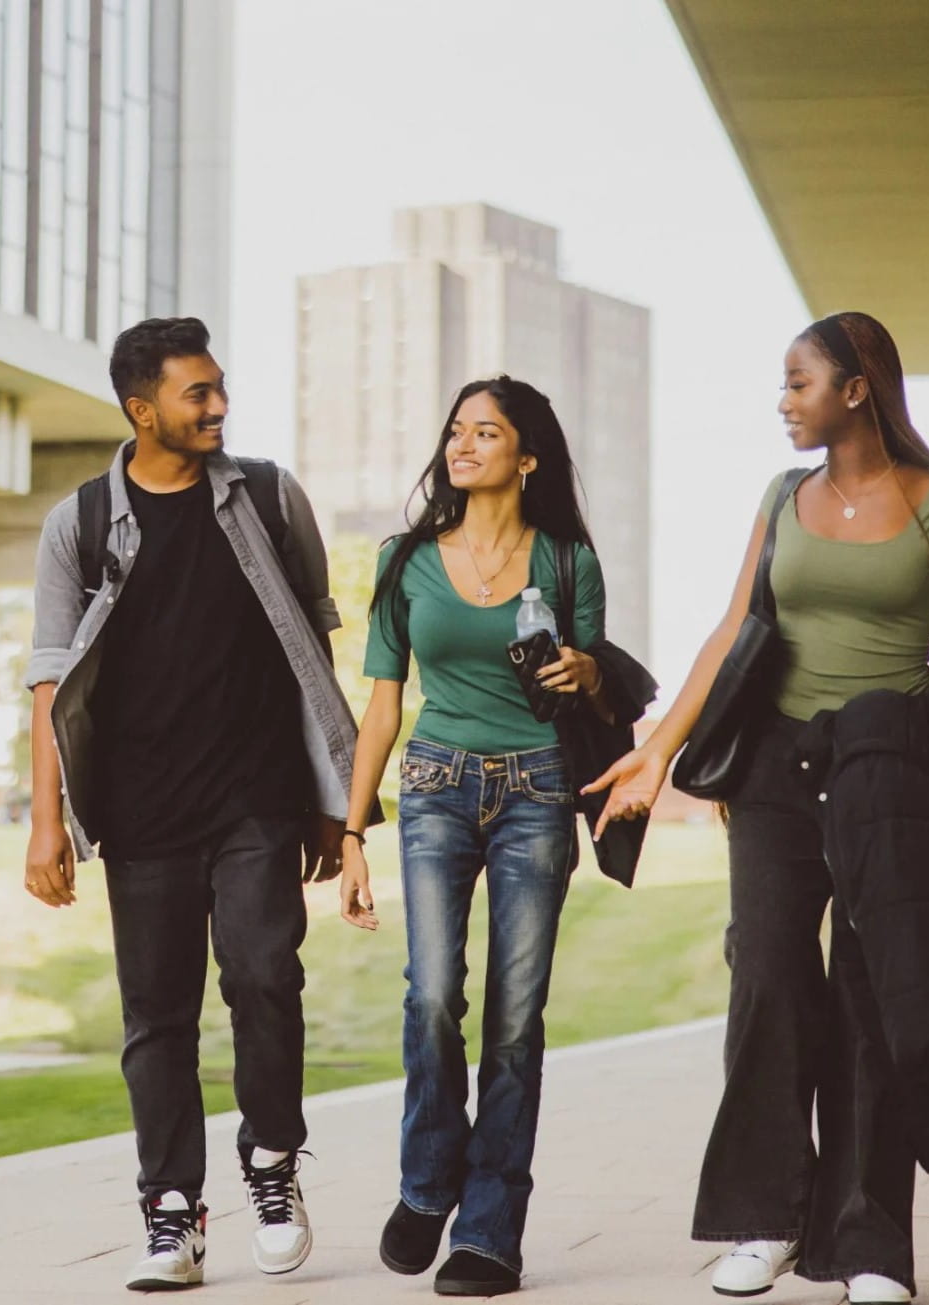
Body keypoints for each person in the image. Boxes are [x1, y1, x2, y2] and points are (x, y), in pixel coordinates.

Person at [586, 312, 929, 1305]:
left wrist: (913, 720)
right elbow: (733, 629)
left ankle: (870, 1245)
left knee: (872, 996)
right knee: (768, 979)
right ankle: (764, 1219)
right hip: (774, 769)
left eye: (798, 381)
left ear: (855, 389)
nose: (782, 401)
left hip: (885, 770)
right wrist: (656, 750)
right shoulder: (783, 497)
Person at [23, 316, 367, 1292]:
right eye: (197, 393)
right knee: (157, 1017)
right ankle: (171, 1211)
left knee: (265, 976)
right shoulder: (81, 523)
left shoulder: (268, 496)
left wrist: (328, 792)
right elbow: (50, 678)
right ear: (142, 410)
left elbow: (312, 641)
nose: (219, 406)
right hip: (140, 811)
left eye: (219, 387)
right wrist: (47, 821)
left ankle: (272, 1162)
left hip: (256, 796)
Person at [337, 376, 610, 1297]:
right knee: (431, 995)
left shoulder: (568, 560)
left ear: (526, 456)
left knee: (515, 1018)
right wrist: (352, 831)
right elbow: (382, 705)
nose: (462, 444)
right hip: (433, 785)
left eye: (485, 432)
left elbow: (597, 688)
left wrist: (584, 671)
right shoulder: (405, 559)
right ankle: (427, 1183)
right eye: (456, 430)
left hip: (538, 786)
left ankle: (489, 1232)